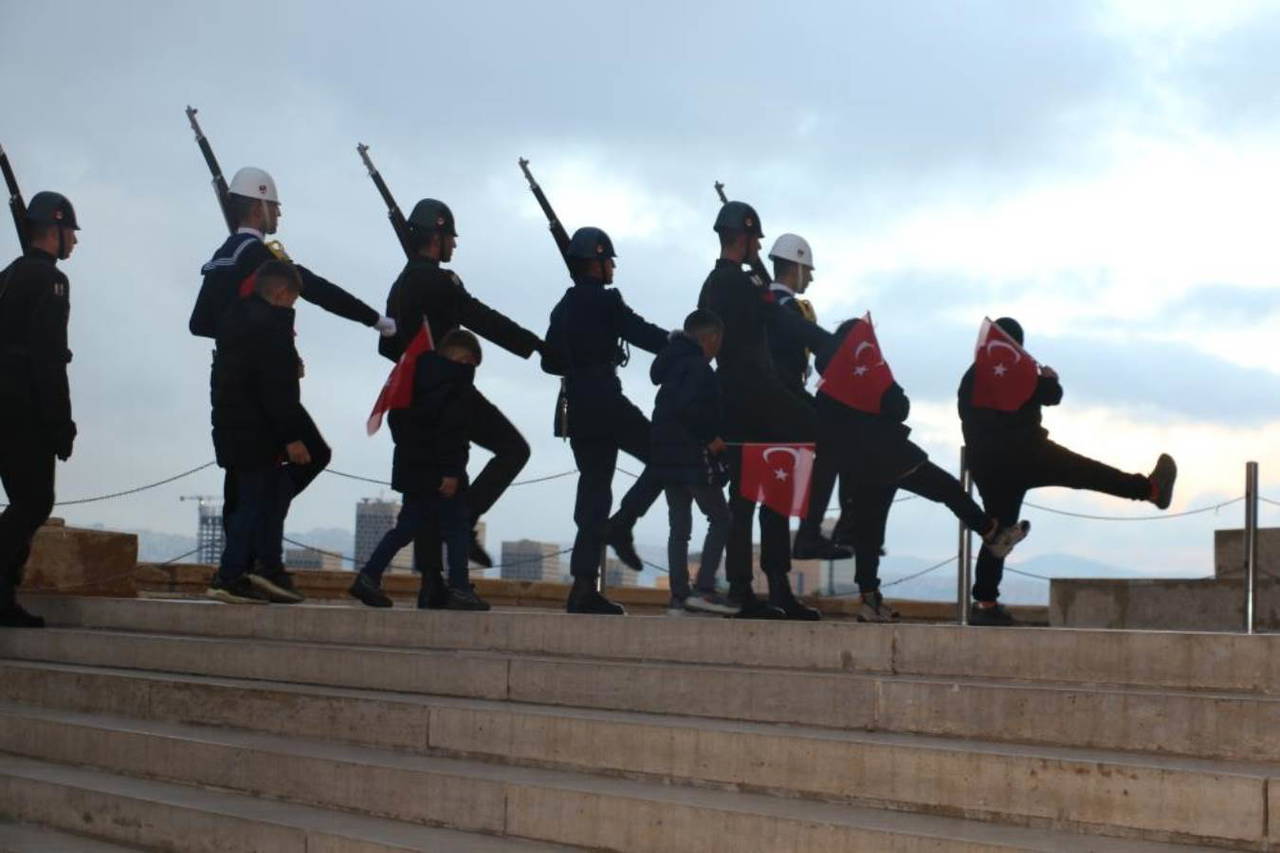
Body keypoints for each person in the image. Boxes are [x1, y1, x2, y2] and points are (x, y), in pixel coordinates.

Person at [191, 167, 394, 600]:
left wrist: (241, 337)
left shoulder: (222, 255)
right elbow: (316, 288)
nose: (279, 214)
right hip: (264, 386)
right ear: (261, 204)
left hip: (227, 380)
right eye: (276, 206)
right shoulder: (261, 258)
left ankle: (243, 566)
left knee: (242, 482)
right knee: (298, 460)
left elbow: (200, 323)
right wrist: (376, 320)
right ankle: (258, 560)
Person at [958, 316, 1177, 626]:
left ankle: (985, 604)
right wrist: (1050, 377)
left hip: (988, 466)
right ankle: (1150, 490)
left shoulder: (973, 377)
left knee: (999, 534)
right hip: (1029, 453)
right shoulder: (1018, 368)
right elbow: (1052, 396)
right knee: (1089, 473)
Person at [379, 199, 542, 606]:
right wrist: (534, 345)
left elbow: (387, 348)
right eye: (450, 236)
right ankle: (465, 521)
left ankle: (432, 584)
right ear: (436, 237)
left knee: (429, 487)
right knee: (513, 450)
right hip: (448, 390)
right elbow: (479, 317)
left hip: (408, 397)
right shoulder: (439, 282)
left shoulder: (399, 286)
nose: (454, 244)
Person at [817, 318, 1031, 622]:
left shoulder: (828, 383)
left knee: (869, 532)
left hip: (857, 464)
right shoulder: (869, 371)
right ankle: (991, 533)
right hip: (891, 453)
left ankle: (869, 599)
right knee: (947, 488)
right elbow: (899, 406)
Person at [698, 202, 832, 619]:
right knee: (759, 497)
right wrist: (828, 341)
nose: (760, 245)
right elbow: (779, 320)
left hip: (741, 401)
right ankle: (767, 579)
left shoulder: (719, 283)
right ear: (746, 238)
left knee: (759, 497)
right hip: (755, 399)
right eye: (756, 239)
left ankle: (765, 588)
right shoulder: (738, 285)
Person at [542, 227, 669, 615]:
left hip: (577, 404)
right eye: (608, 259)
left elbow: (550, 361)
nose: (612, 265)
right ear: (595, 262)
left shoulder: (563, 306)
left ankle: (583, 587)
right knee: (665, 456)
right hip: (604, 397)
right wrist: (685, 344)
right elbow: (642, 333)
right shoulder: (606, 301)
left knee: (594, 492)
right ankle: (624, 521)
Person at [349, 330, 490, 611]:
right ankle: (460, 588)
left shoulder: (412, 377)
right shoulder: (455, 384)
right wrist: (450, 472)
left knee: (406, 528)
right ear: (465, 358)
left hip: (414, 471)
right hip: (442, 473)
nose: (472, 370)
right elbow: (451, 431)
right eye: (473, 363)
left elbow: (399, 424)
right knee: (457, 529)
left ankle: (369, 576)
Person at [206, 261, 311, 605]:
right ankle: (232, 573)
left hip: (230, 426)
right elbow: (276, 388)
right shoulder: (272, 326)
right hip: (258, 431)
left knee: (248, 501)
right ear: (281, 293)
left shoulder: (233, 320)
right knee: (254, 502)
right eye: (292, 300)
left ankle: (251, 569)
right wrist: (292, 437)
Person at [0, 192, 80, 627]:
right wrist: (60, 424)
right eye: (72, 232)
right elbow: (48, 358)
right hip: (24, 408)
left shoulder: (9, 274)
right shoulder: (51, 281)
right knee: (33, 502)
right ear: (56, 230)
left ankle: (3, 597)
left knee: (24, 502)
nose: (75, 242)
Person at [759, 232, 851, 561]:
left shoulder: (782, 303)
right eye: (807, 270)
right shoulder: (780, 304)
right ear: (795, 267)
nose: (810, 277)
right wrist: (840, 346)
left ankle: (808, 535)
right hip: (782, 397)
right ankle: (809, 533)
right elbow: (801, 335)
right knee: (832, 442)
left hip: (786, 395)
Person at [649, 309, 736, 615]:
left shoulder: (672, 365)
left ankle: (679, 595)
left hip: (667, 458)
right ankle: (705, 589)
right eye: (718, 341)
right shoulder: (698, 368)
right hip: (692, 457)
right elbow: (689, 409)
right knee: (721, 518)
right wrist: (710, 437)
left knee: (679, 527)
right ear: (710, 337)